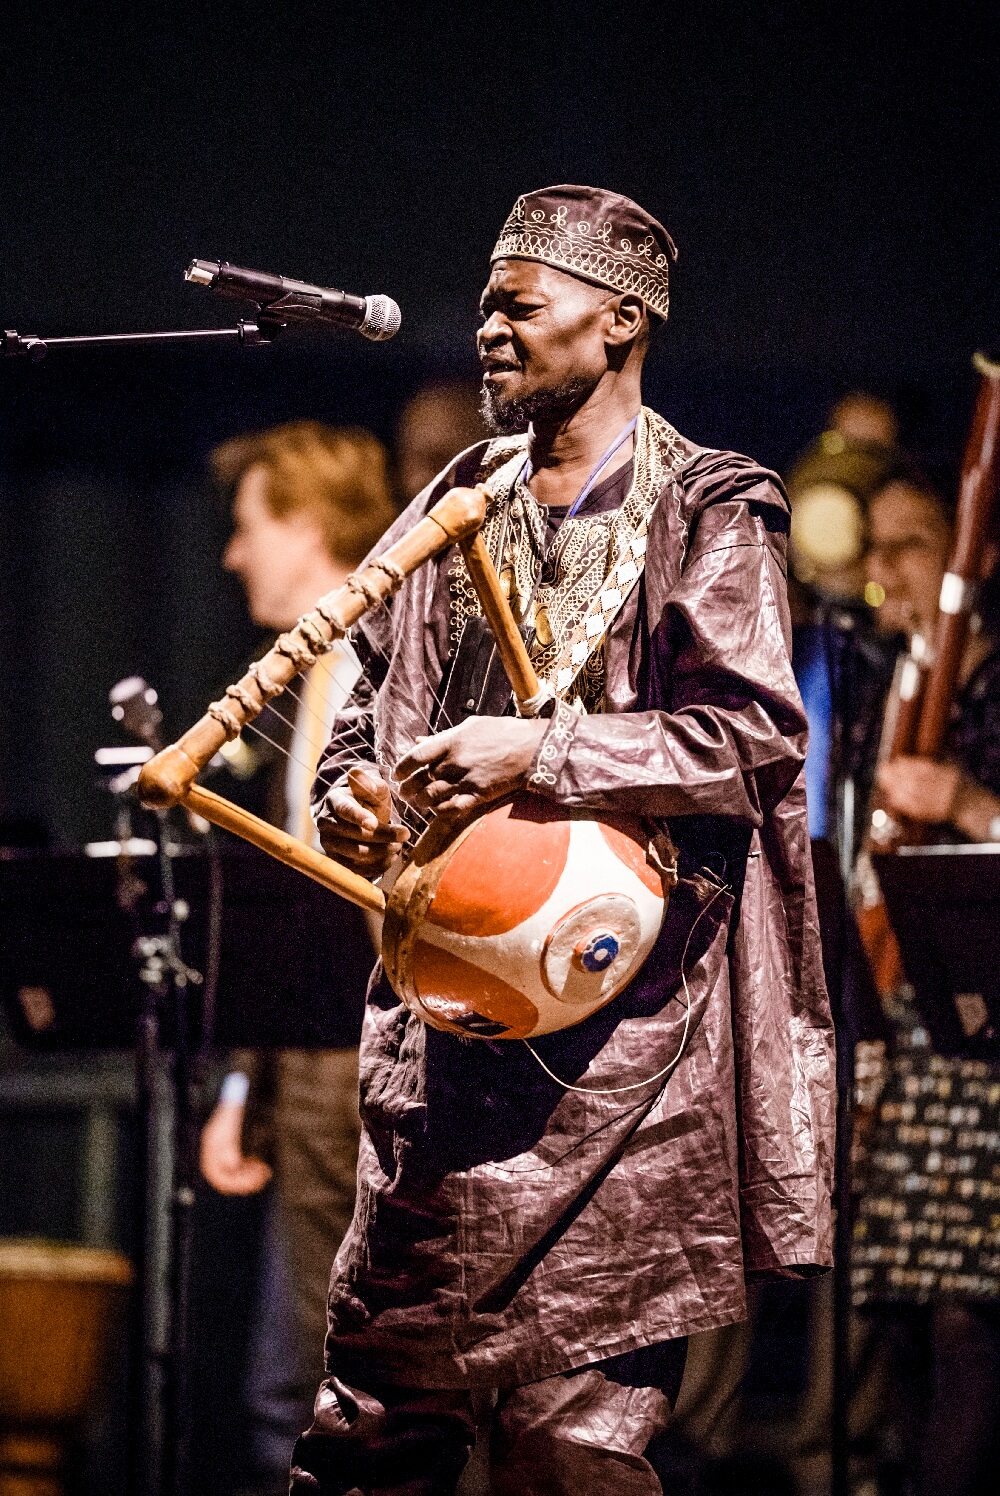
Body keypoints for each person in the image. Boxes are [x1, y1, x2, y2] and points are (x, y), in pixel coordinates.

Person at [291, 185, 835, 1495]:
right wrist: (353, 797)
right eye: (486, 305)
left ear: (621, 321)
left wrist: (535, 753)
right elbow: (364, 717)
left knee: (568, 1447)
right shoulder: (457, 500)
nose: (489, 328)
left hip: (620, 1068)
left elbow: (750, 737)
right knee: (371, 1434)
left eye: (519, 305)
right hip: (445, 1042)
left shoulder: (710, 507)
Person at [197, 420, 396, 1493]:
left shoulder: (380, 660)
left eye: (250, 527)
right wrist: (243, 1084)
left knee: (314, 1381)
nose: (235, 556)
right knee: (298, 1373)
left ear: (310, 526)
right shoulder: (316, 672)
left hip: (364, 1049)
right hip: (320, 1053)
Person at [849, 461, 1000, 1496]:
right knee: (895, 1310)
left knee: (963, 1315)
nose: (884, 567)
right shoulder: (884, 687)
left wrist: (964, 802)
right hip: (902, 1023)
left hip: (982, 1042)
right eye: (876, 545)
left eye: (910, 543)